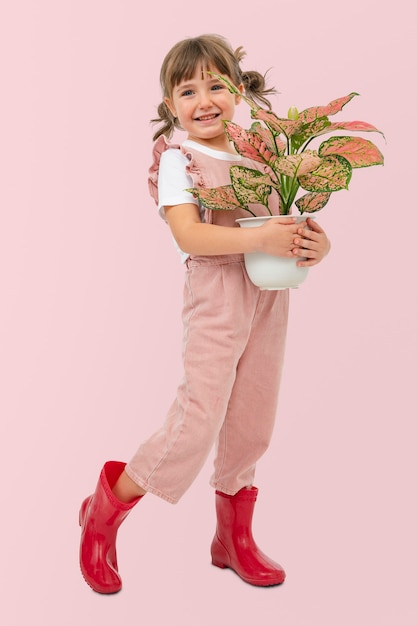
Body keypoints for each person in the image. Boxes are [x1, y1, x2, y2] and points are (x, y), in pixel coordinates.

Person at [79, 33, 331, 594]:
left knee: (253, 418)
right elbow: (190, 234)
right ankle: (103, 511)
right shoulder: (180, 160)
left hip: (270, 295)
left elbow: (289, 219)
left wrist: (317, 243)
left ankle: (231, 540)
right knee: (196, 420)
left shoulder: (263, 155)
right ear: (172, 106)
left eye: (216, 84)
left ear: (238, 90)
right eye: (188, 91)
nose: (205, 100)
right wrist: (262, 237)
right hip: (218, 295)